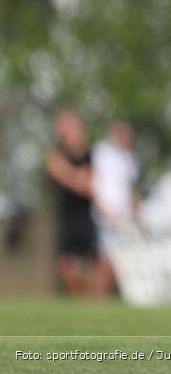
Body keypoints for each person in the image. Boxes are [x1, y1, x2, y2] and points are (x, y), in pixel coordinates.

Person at [44, 109, 100, 296]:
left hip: (87, 218)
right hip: (66, 218)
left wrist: (70, 175)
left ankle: (91, 302)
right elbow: (73, 179)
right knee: (66, 267)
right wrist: (76, 177)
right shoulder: (55, 155)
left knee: (93, 268)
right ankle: (78, 301)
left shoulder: (91, 156)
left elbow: (89, 187)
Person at [90, 119, 140, 295]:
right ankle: (97, 295)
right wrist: (101, 205)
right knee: (106, 258)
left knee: (118, 259)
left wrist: (135, 211)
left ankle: (105, 295)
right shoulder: (102, 152)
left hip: (123, 217)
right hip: (107, 214)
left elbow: (131, 188)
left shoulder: (130, 158)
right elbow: (95, 180)